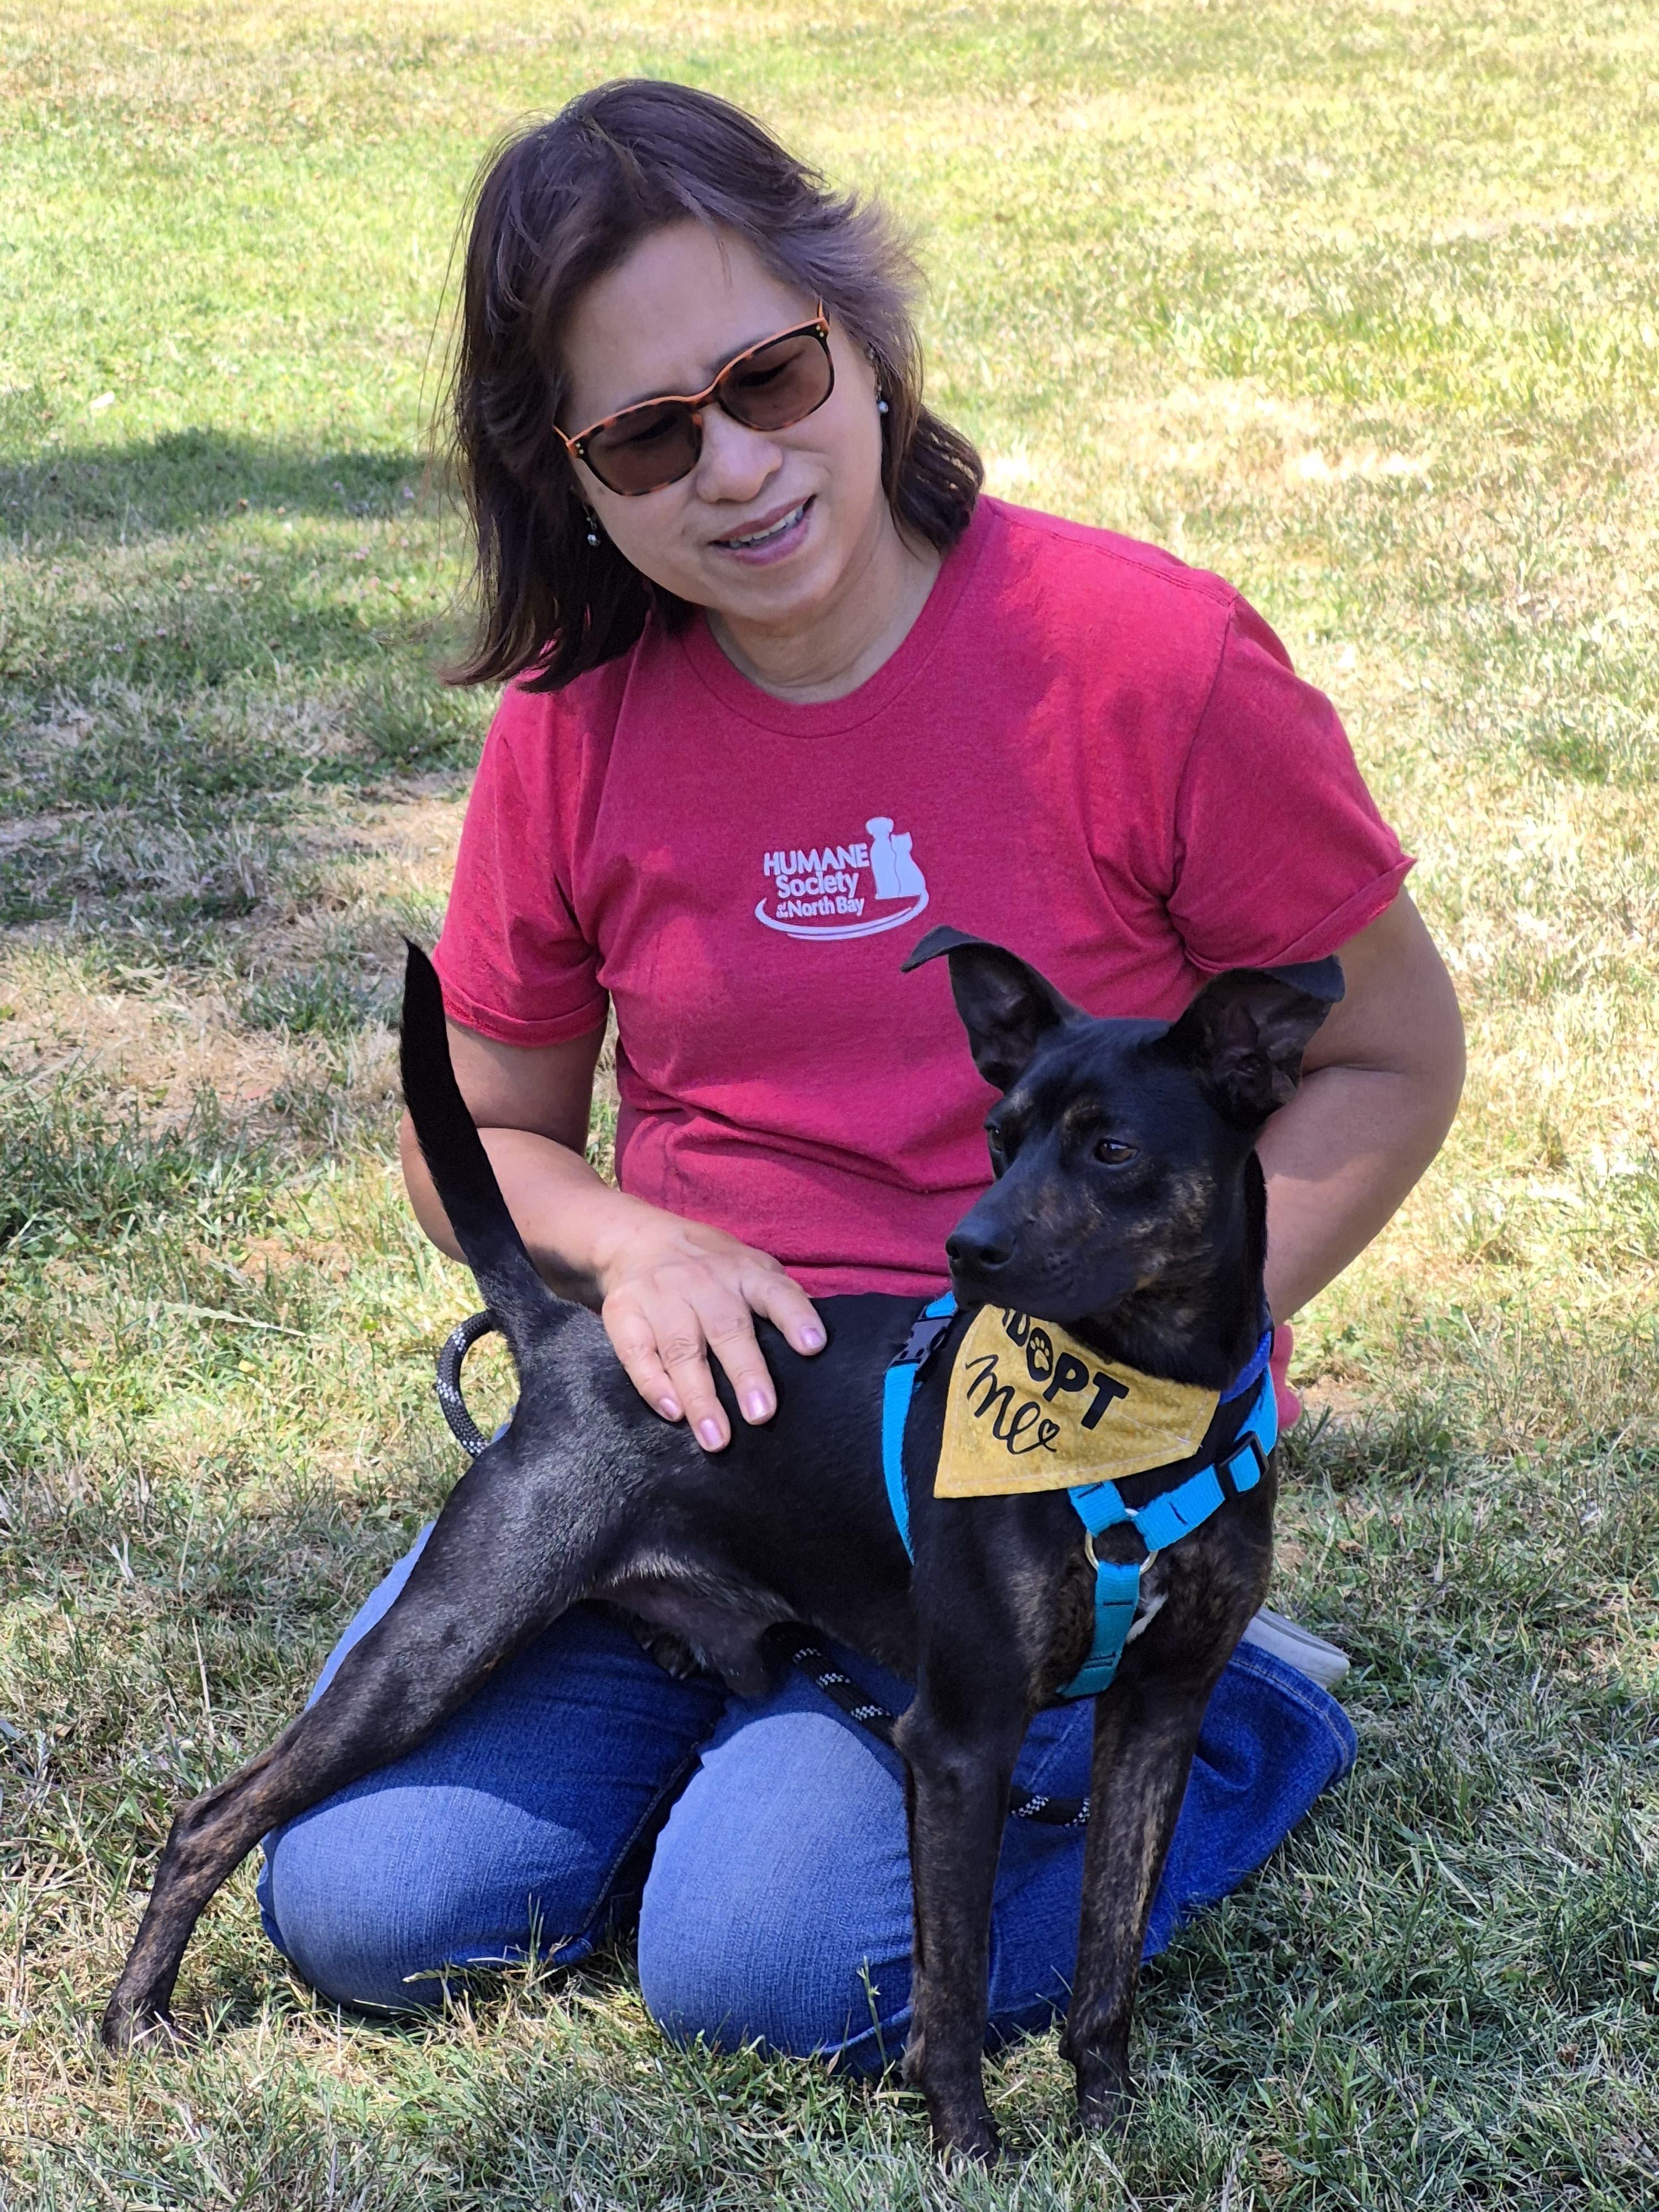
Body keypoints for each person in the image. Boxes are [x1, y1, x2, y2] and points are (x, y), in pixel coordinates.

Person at [257, 80, 1464, 2060]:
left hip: (1046, 1473)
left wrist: (1163, 1358)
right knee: (376, 1910)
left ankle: (1227, 1712)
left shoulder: (1147, 663)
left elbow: (1396, 1056)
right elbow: (479, 1130)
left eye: (771, 376)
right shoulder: (576, 730)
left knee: (766, 1977)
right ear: (569, 477)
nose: (735, 466)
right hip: (720, 1452)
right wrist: (631, 1249)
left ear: (865, 334)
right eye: (651, 435)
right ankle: (782, 1733)